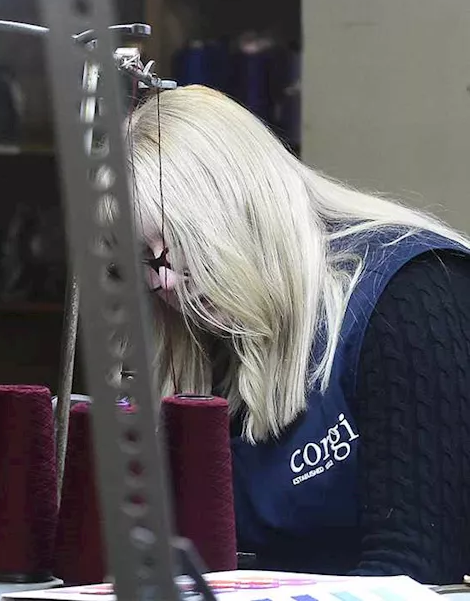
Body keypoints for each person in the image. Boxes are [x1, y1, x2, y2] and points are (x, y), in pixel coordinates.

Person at [127, 84, 470, 583]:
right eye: (143, 257)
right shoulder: (201, 332)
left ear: (241, 216)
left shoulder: (414, 295)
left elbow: (412, 577)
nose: (164, 281)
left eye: (179, 245)